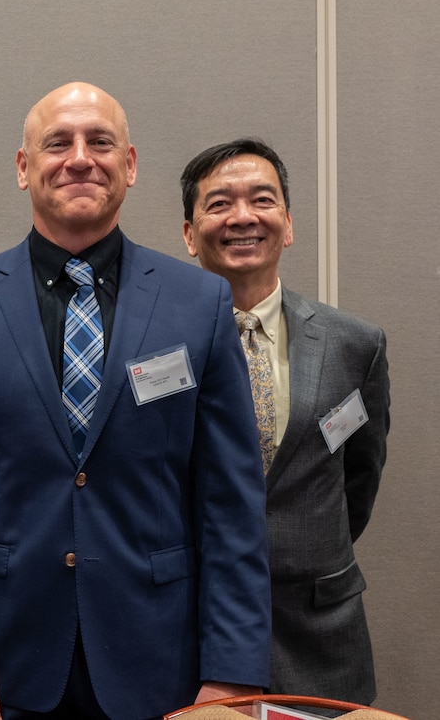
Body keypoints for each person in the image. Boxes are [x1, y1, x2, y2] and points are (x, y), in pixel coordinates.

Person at [0, 82, 271, 720]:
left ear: (129, 165)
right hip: (7, 661)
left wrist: (234, 671)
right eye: (58, 143)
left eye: (100, 142)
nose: (80, 157)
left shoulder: (200, 304)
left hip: (164, 660)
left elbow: (231, 503)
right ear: (25, 169)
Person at [181, 138, 390, 704]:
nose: (243, 217)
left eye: (262, 200)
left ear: (289, 224)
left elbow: (358, 483)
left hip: (320, 634)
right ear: (189, 233)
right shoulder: (157, 346)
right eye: (219, 203)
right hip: (195, 632)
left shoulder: (355, 345)